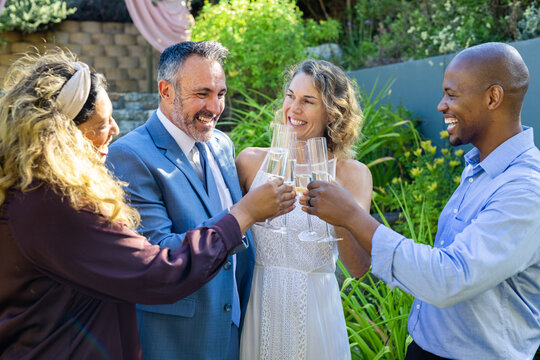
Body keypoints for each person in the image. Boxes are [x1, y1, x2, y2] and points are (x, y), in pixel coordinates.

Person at [0, 50, 293, 360]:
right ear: (61, 135)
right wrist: (242, 214)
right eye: (101, 124)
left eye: (220, 93)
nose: (114, 130)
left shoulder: (33, 192)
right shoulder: (53, 203)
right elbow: (157, 271)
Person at [301, 42, 540, 359]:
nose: (441, 105)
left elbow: (449, 278)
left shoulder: (525, 189)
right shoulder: (480, 170)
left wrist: (352, 216)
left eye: (451, 94)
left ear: (493, 97)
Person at [107, 41, 295, 359]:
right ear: (166, 91)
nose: (215, 106)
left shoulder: (221, 144)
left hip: (235, 332)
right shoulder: (128, 156)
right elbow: (161, 254)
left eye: (220, 94)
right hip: (177, 341)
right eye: (202, 93)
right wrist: (247, 211)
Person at [235, 59, 372, 359]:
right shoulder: (250, 163)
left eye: (308, 101)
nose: (293, 109)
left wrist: (336, 215)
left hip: (317, 318)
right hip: (261, 308)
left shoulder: (353, 175)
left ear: (332, 114)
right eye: (290, 96)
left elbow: (359, 267)